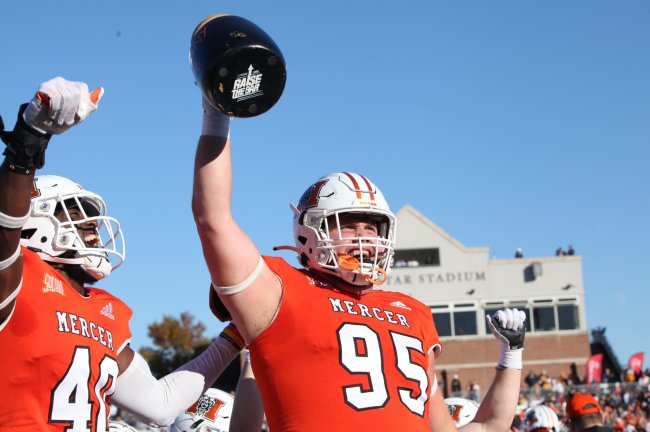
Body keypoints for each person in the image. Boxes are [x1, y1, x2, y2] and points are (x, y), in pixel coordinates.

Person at [192, 90, 527, 431]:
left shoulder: (413, 313)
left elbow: (487, 427)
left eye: (372, 227)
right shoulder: (280, 289)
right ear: (310, 231)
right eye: (349, 225)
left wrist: (511, 356)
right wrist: (217, 117)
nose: (365, 238)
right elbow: (212, 218)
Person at [0, 77, 244, 431]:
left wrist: (237, 334)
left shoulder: (103, 312)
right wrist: (28, 142)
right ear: (32, 224)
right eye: (74, 212)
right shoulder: (17, 281)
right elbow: (5, 226)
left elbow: (161, 405)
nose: (91, 225)